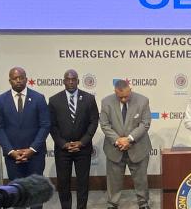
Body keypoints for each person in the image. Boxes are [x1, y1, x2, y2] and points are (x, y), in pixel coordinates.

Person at [0, 66, 50, 209]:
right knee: (17, 195)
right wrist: (11, 151)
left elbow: (45, 125)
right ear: (10, 81)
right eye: (15, 78)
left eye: (21, 78)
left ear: (26, 79)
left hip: (35, 155)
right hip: (12, 156)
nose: (18, 81)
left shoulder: (38, 98)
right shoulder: (1, 100)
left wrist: (32, 149)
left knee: (36, 194)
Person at [49, 69, 99, 209]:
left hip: (83, 149)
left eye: (73, 79)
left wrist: (82, 142)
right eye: (68, 79)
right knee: (63, 183)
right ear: (64, 81)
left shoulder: (89, 99)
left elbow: (94, 122)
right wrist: (63, 144)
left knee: (83, 183)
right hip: (62, 150)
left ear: (78, 81)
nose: (71, 82)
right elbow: (52, 125)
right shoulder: (54, 100)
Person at [100, 80, 152, 209]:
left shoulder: (143, 101)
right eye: (120, 97)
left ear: (130, 89)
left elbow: (145, 123)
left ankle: (143, 203)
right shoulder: (106, 102)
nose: (123, 99)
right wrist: (118, 140)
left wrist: (129, 139)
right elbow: (105, 125)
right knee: (114, 180)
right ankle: (112, 203)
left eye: (126, 96)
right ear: (115, 92)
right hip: (114, 148)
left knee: (141, 179)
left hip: (138, 147)